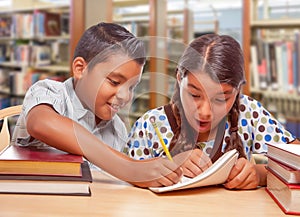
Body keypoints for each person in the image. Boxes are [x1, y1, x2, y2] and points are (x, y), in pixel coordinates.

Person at [11, 22, 183, 188]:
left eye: (131, 87)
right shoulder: (49, 92)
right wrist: (129, 168)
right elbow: (42, 123)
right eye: (114, 82)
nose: (125, 96)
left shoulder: (118, 130)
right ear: (80, 68)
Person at [123, 33, 299, 190]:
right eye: (194, 95)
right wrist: (166, 168)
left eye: (221, 99)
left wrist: (261, 174)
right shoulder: (149, 126)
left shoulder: (250, 113)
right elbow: (124, 181)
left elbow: (297, 161)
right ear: (178, 78)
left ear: (238, 90)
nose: (205, 112)